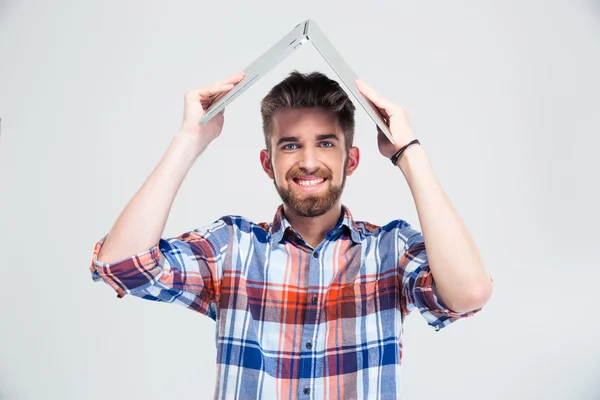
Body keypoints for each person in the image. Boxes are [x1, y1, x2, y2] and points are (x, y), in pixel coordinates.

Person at [90, 70, 493, 399]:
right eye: (290, 146)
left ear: (351, 159)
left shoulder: (389, 249)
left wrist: (409, 152)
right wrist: (190, 140)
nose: (309, 162)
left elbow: (469, 293)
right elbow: (121, 265)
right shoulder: (232, 247)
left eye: (325, 143)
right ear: (267, 163)